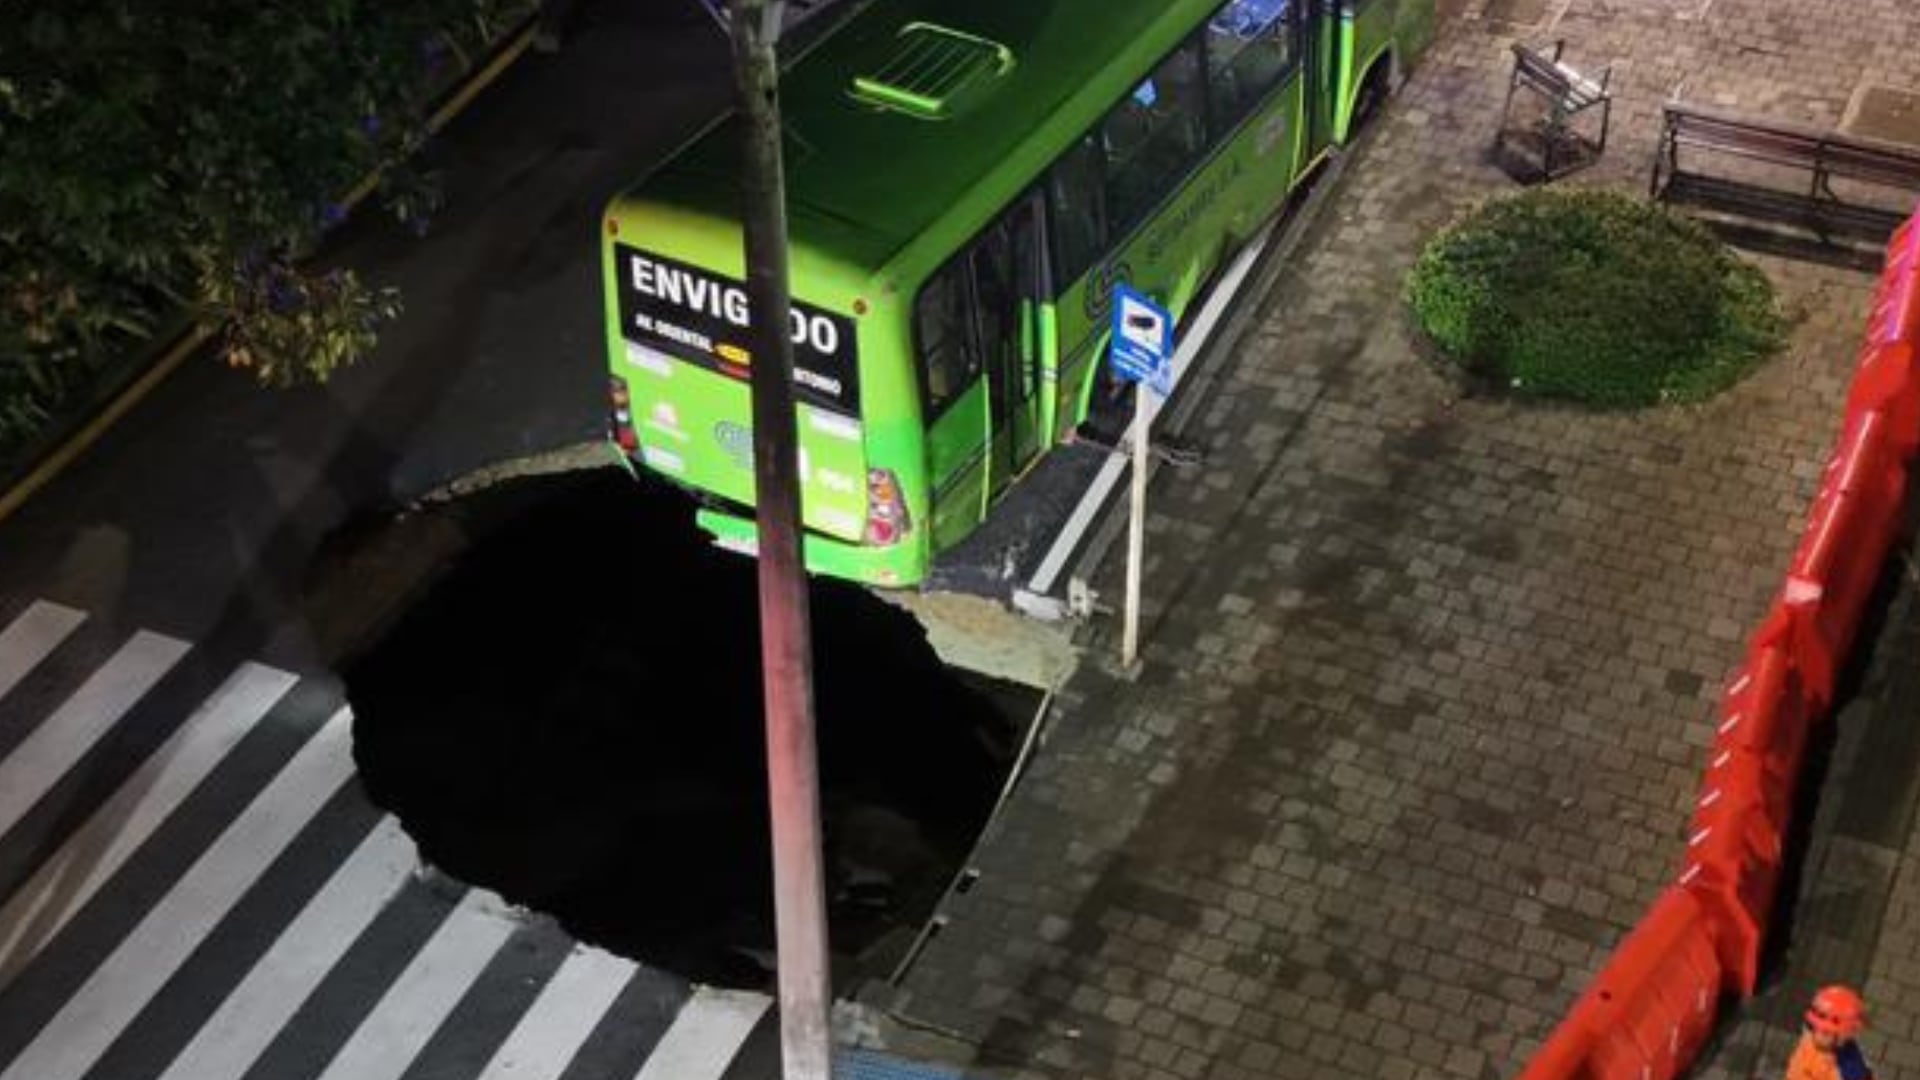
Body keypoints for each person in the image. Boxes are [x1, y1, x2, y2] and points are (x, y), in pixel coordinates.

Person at [1786, 985, 1874, 1080]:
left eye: (1826, 1033)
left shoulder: (1850, 1071)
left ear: (1842, 1038)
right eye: (1813, 1027)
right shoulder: (1810, 1039)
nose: (1817, 1036)